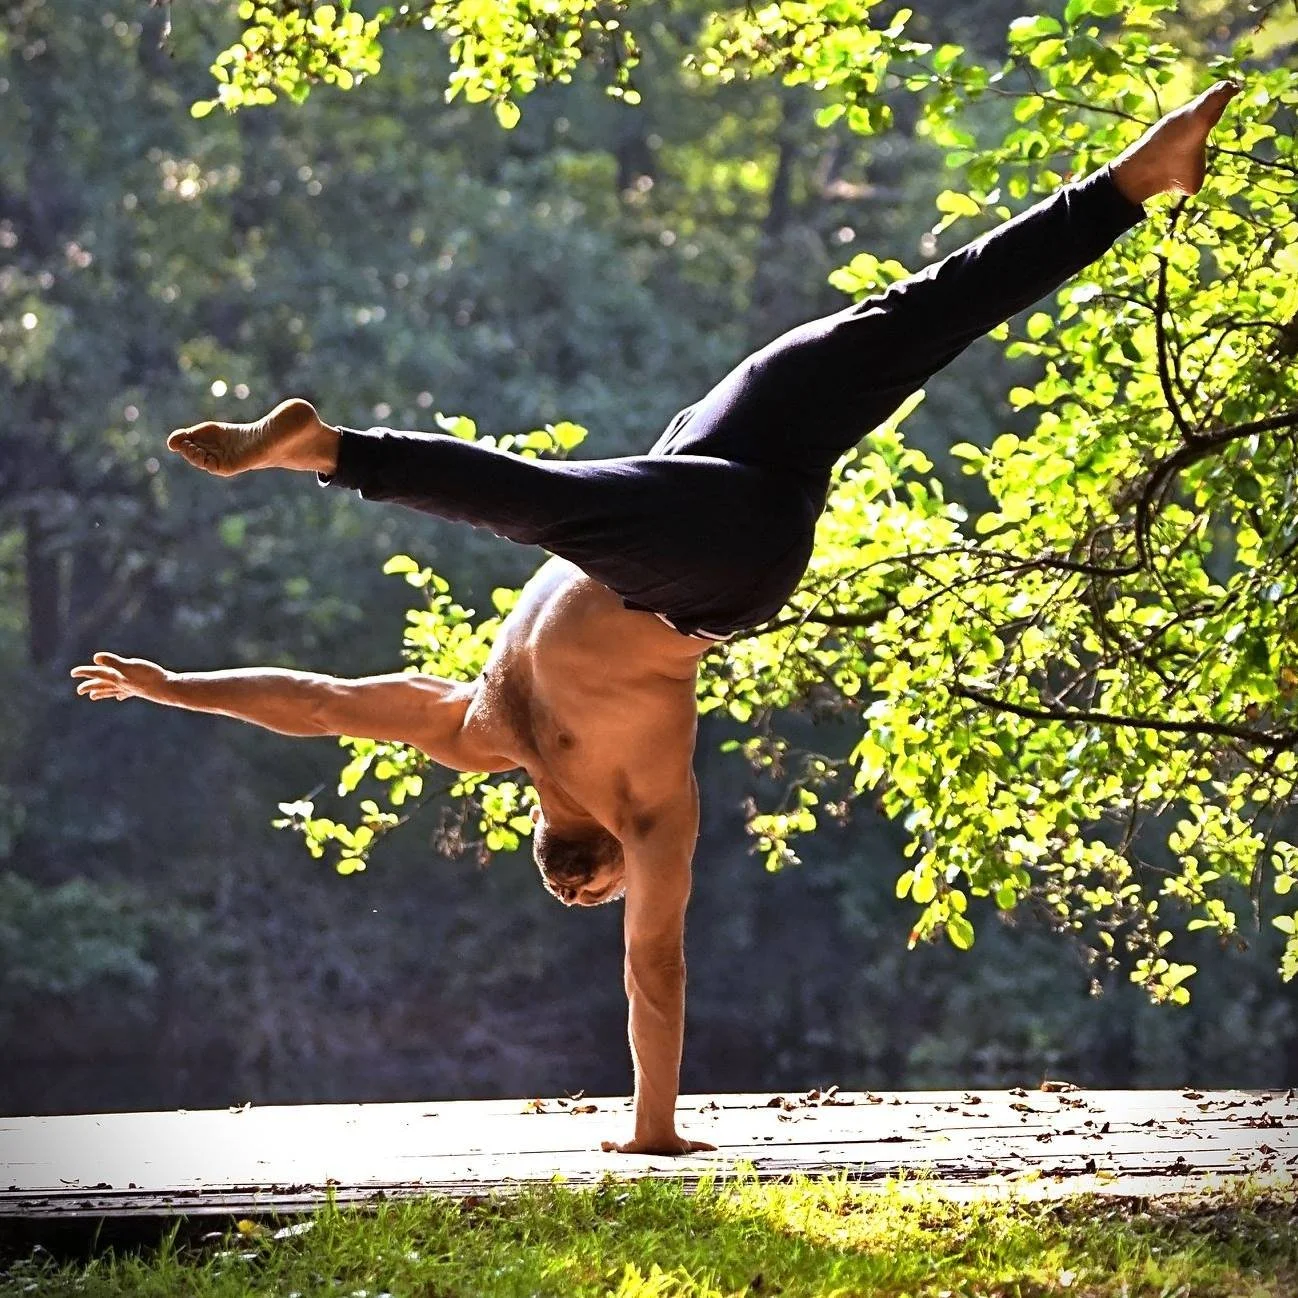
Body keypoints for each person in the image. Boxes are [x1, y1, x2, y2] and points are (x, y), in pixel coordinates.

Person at [73, 83, 1238, 1155]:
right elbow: (332, 711)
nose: (616, 894)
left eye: (601, 891)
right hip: (710, 563)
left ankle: (1134, 179)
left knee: (905, 325)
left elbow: (644, 958)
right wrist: (652, 1129)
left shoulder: (520, 751)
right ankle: (329, 451)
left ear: (590, 876)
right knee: (550, 506)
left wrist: (174, 684)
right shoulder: (556, 764)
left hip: (704, 476)